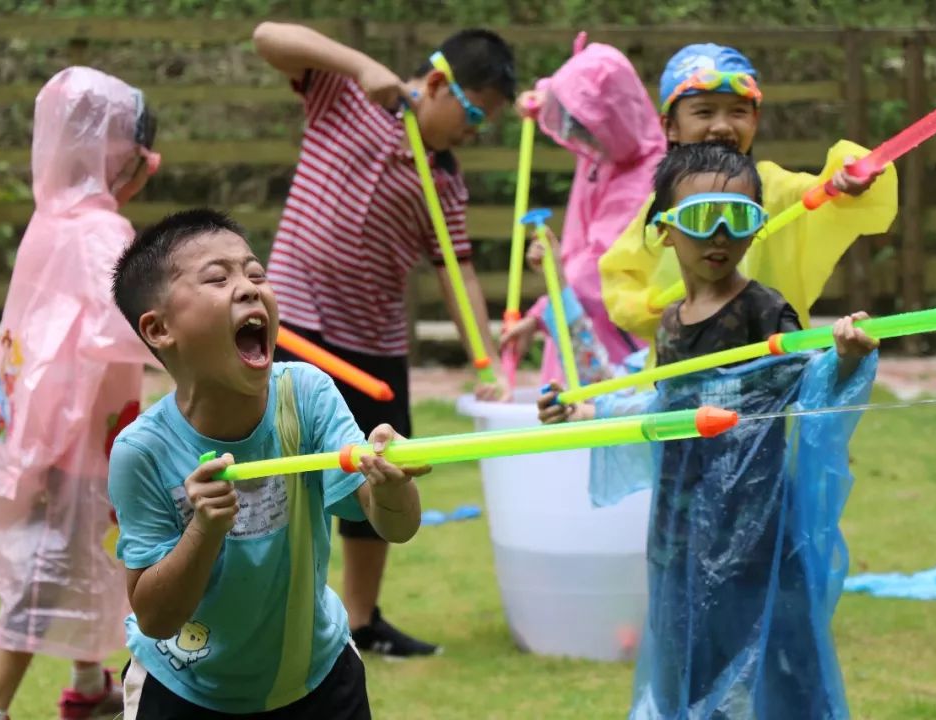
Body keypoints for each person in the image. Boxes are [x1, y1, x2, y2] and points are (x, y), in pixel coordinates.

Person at [550, 142, 879, 717]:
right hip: (679, 527)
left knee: (777, 662)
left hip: (756, 527)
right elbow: (663, 407)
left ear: (757, 230)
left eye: (741, 217)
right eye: (703, 218)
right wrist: (583, 413)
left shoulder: (765, 311)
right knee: (685, 658)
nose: (721, 234)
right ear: (665, 231)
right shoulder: (671, 323)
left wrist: (847, 356)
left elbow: (810, 388)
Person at [252, 21, 516, 657]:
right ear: (437, 83)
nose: (475, 131)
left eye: (487, 124)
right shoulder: (343, 100)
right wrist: (361, 64)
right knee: (275, 474)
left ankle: (362, 623)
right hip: (298, 325)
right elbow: (267, 36)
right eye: (474, 113)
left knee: (380, 473)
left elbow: (459, 273)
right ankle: (262, 609)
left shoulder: (445, 181)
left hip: (373, 342)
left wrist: (487, 358)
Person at [108, 208, 427, 719]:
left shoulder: (305, 394)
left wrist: (390, 487)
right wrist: (204, 529)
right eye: (218, 278)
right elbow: (155, 616)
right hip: (185, 689)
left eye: (256, 274)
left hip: (318, 677)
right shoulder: (141, 451)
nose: (250, 288)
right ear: (159, 329)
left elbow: (398, 526)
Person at [0, 66, 161, 720]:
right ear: (119, 154)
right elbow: (123, 327)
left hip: (38, 431)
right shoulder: (101, 233)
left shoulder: (53, 220)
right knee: (50, 572)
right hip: (79, 432)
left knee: (80, 553)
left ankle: (90, 686)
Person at [598, 43, 898, 349]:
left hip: (774, 360)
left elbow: (825, 192)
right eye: (704, 111)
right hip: (685, 366)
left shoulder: (775, 188)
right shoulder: (662, 204)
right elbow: (621, 276)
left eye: (738, 112)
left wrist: (846, 178)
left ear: (754, 120)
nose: (722, 126)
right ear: (671, 127)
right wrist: (650, 309)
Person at [499, 37, 664, 382]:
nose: (579, 139)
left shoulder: (644, 180)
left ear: (610, 123)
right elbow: (581, 93)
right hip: (572, 307)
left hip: (607, 326)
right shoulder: (605, 152)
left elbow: (601, 268)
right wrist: (544, 97)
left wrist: (542, 312)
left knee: (597, 408)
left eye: (585, 128)